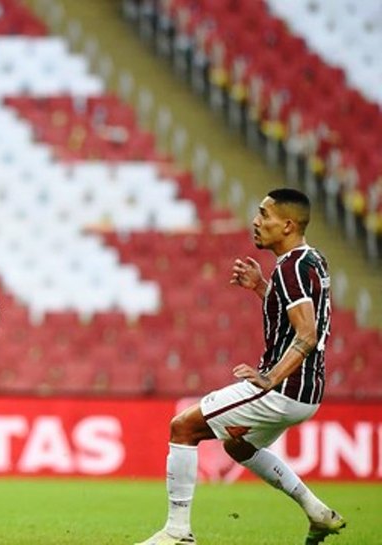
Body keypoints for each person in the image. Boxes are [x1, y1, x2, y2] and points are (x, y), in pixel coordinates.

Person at [136, 188, 345, 545]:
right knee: (237, 446)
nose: (256, 221)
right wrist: (263, 289)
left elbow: (307, 334)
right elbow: (299, 317)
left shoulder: (291, 269)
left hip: (282, 388)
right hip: (308, 392)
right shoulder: (311, 260)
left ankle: (177, 532)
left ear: (288, 225)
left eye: (265, 215)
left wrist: (269, 378)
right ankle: (317, 512)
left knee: (183, 428)